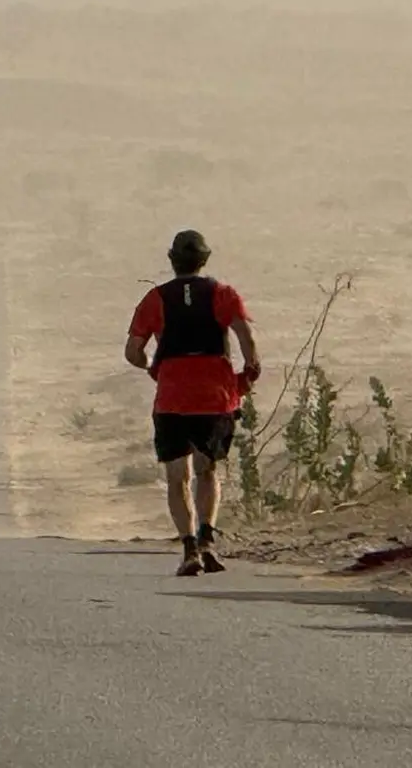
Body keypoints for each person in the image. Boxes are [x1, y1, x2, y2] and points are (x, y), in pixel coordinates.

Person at [124, 229, 260, 577]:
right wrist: (249, 371)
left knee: (177, 476)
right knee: (206, 469)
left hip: (172, 397)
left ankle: (188, 548)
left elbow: (133, 351)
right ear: (205, 260)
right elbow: (245, 337)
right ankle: (207, 539)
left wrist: (153, 366)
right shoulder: (223, 294)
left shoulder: (155, 298)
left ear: (172, 260)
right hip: (215, 395)